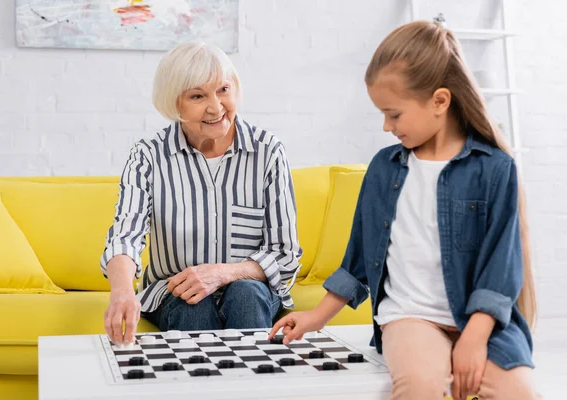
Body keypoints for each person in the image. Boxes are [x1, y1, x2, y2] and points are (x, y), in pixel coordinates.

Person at [270, 21, 538, 400]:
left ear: (440, 101)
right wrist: (316, 318)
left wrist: (474, 340)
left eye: (394, 114)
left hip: (482, 323)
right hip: (410, 318)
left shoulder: (495, 168)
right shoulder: (384, 168)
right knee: (420, 386)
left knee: (519, 392)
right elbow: (358, 258)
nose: (385, 126)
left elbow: (501, 265)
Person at [100, 41, 302, 347]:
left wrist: (223, 273)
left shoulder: (268, 152)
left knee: (245, 294)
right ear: (174, 103)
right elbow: (126, 235)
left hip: (252, 292)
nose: (215, 107)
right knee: (193, 306)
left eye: (223, 90)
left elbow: (284, 254)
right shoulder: (147, 157)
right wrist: (122, 291)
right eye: (197, 96)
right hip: (175, 295)